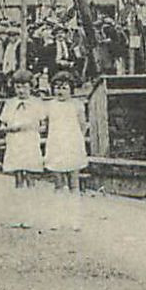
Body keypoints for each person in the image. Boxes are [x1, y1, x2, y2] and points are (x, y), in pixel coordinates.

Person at [43, 73, 89, 210]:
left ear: (71, 90)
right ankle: (59, 215)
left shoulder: (77, 105)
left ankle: (74, 216)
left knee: (74, 183)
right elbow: (45, 125)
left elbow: (82, 126)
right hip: (56, 146)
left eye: (64, 88)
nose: (60, 91)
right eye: (57, 88)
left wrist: (76, 141)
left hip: (72, 146)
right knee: (58, 183)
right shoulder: (49, 106)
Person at [0, 69, 45, 184]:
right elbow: (2, 126)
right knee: (17, 166)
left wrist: (33, 127)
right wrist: (11, 129)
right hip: (15, 139)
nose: (21, 91)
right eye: (18, 87)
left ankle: (31, 190)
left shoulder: (37, 103)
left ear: (31, 87)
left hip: (30, 138)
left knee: (30, 166)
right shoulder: (10, 103)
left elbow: (43, 125)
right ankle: (19, 189)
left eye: (25, 87)